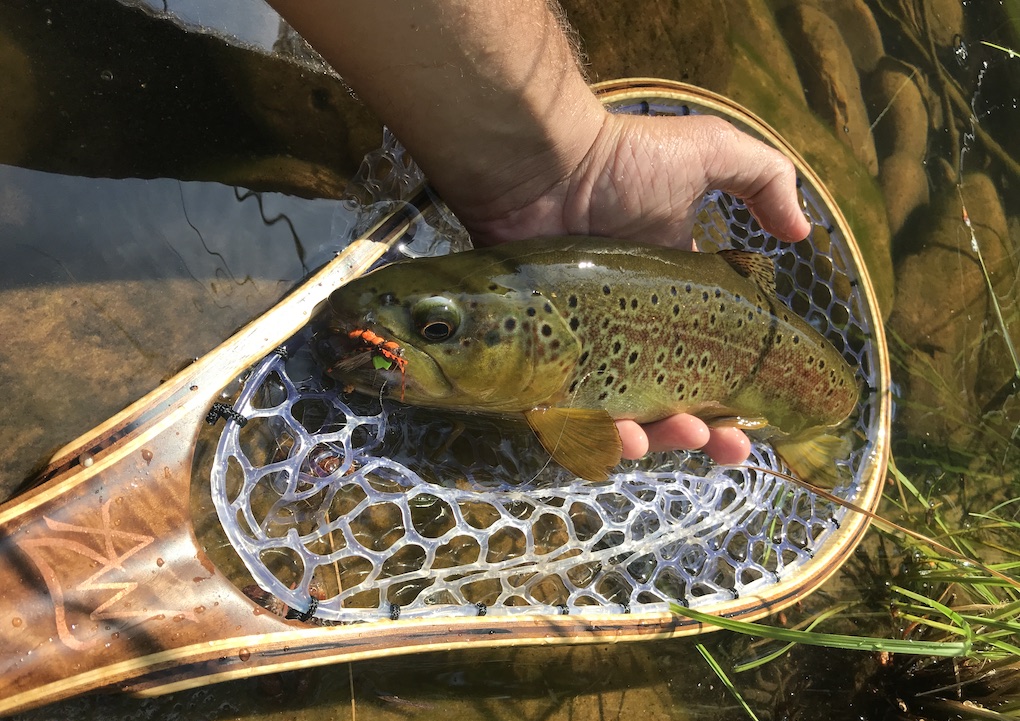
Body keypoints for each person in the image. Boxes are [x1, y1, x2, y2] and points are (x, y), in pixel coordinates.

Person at [267, 0, 812, 467]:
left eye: (436, 328)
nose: (388, 343)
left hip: (793, 374)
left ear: (549, 342)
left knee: (799, 428)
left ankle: (816, 433)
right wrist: (567, 156)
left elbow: (589, 452)